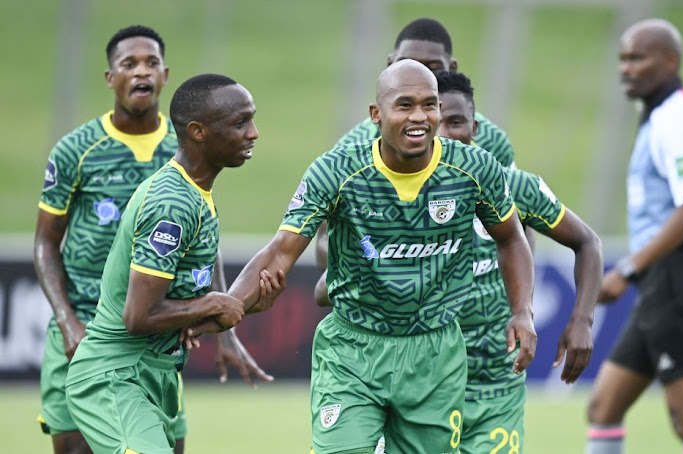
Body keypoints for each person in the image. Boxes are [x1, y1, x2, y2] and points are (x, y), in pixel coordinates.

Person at [218, 60, 536, 454]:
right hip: (354, 350)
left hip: (435, 354)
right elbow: (280, 252)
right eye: (404, 105)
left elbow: (511, 239)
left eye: (429, 105)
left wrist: (521, 310)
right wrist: (226, 307)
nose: (419, 116)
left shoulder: (473, 168)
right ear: (376, 114)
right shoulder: (337, 171)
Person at [314, 70, 603, 454]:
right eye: (441, 122)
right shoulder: (398, 201)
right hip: (420, 378)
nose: (446, 133)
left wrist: (580, 319)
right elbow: (332, 276)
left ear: (475, 128)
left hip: (493, 384)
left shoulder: (510, 188)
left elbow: (586, 241)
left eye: (457, 122)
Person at [34, 26, 271, 454]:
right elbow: (138, 315)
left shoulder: (195, 184)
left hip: (156, 358)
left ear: (165, 74)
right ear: (198, 131)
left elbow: (195, 277)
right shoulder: (166, 194)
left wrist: (231, 312)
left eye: (151, 62)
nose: (254, 133)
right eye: (242, 122)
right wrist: (215, 304)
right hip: (113, 360)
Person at [585, 19, 683, 454]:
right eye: (622, 59)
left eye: (637, 57)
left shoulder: (674, 119)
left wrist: (627, 270)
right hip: (674, 279)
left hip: (675, 276)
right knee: (603, 407)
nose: (626, 68)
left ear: (670, 61)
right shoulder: (666, 115)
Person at [316, 17, 522, 267]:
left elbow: (519, 223)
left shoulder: (491, 141)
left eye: (433, 67)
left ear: (452, 68)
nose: (419, 75)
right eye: (407, 64)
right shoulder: (353, 146)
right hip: (381, 295)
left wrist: (519, 301)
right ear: (390, 64)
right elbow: (324, 240)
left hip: (464, 290)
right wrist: (374, 266)